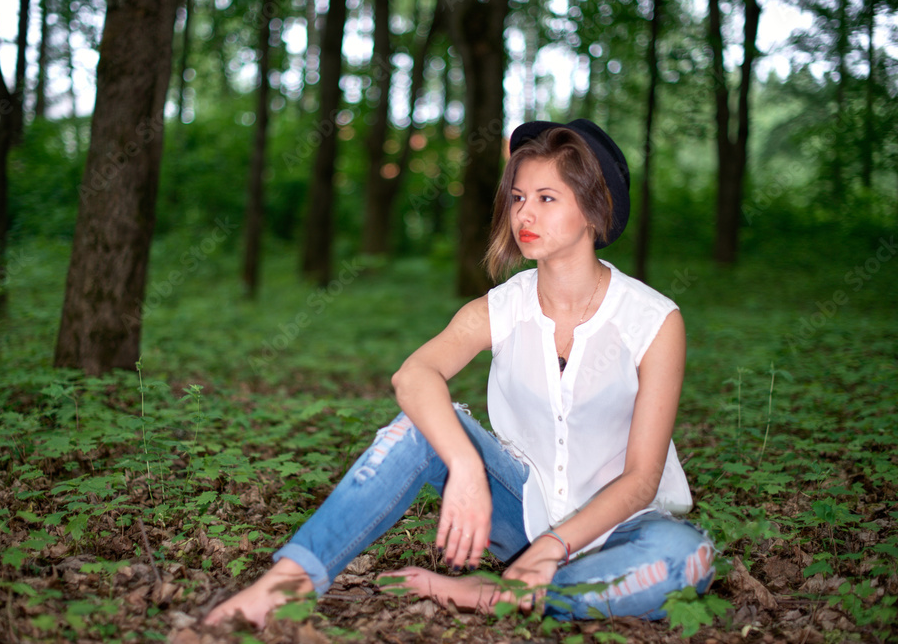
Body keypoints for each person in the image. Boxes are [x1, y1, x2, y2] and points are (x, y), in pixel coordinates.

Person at [203, 118, 715, 629]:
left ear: (594, 208)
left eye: (546, 198)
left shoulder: (653, 320)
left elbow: (642, 478)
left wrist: (556, 547)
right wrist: (466, 466)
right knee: (417, 427)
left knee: (686, 558)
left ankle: (497, 594)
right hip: (524, 514)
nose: (524, 214)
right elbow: (415, 375)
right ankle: (288, 581)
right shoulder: (503, 307)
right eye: (518, 198)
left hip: (624, 532)